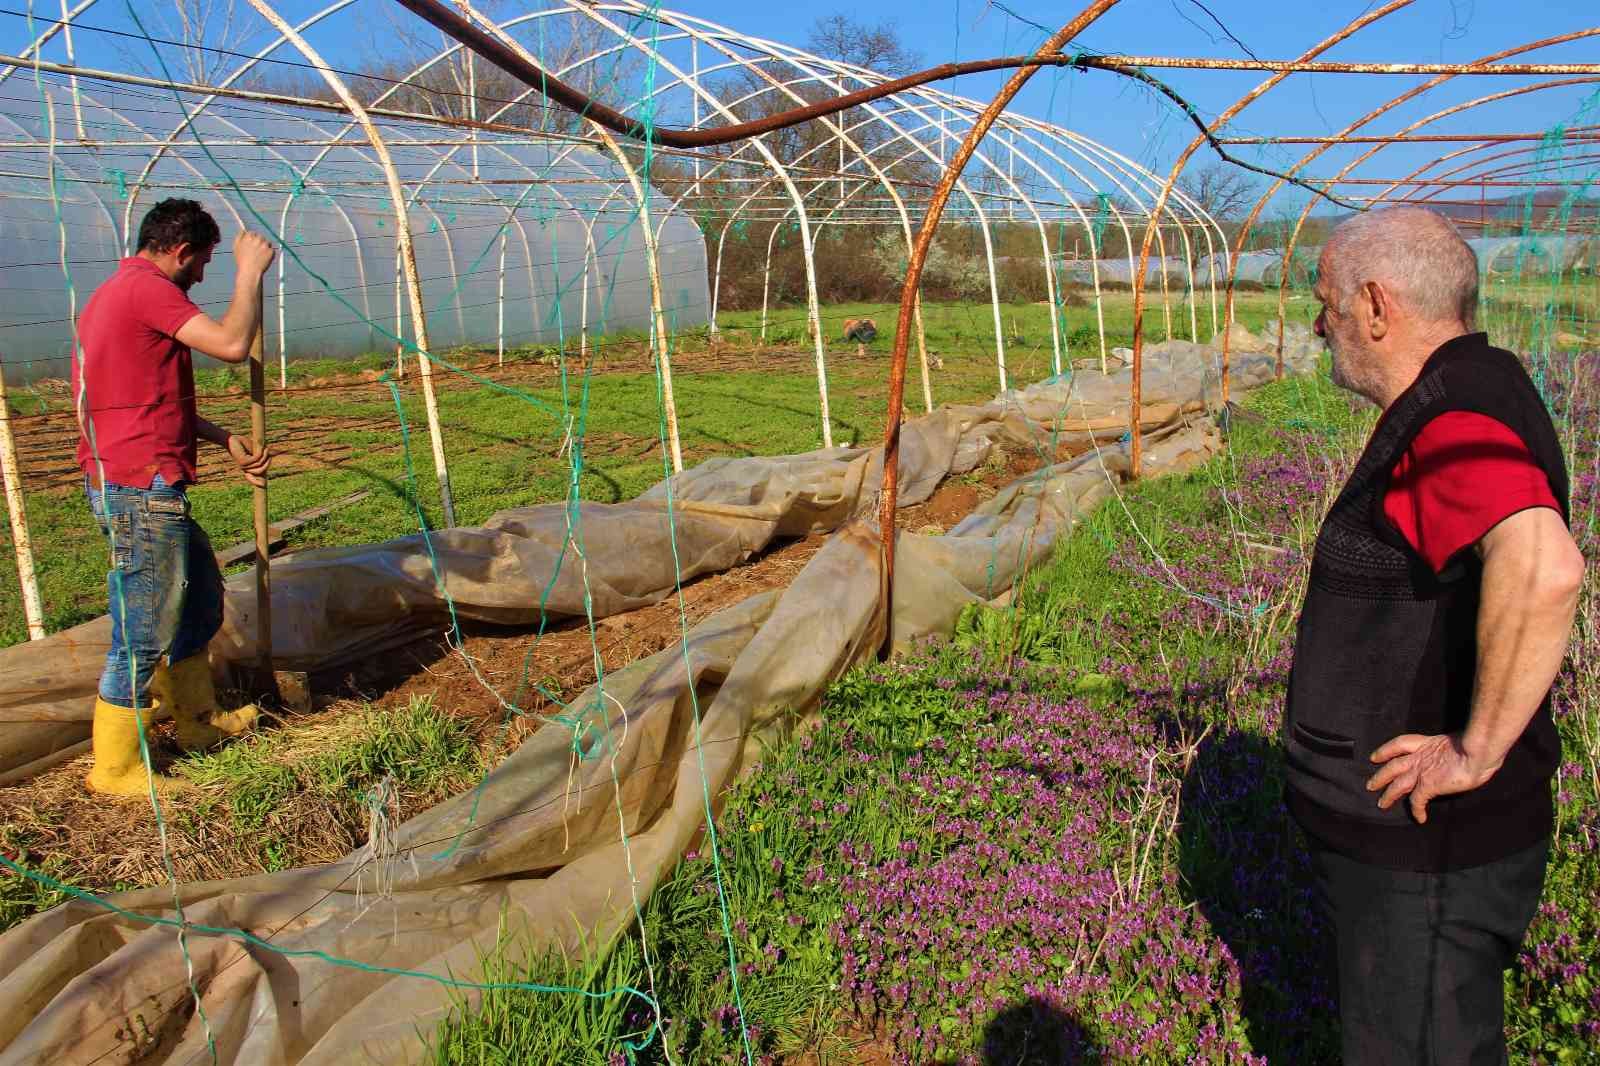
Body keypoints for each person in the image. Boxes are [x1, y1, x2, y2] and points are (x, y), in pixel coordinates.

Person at [1284, 205, 1586, 1064]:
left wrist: (1473, 751)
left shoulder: (1452, 422)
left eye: (1328, 304)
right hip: (1422, 859)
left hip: (1429, 861)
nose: (1320, 324)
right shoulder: (1472, 390)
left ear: (1377, 307)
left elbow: (1544, 568)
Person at [73, 198, 279, 796]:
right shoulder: (146, 290)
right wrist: (249, 271)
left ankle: (195, 720)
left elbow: (143, 395)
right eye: (206, 262)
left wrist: (220, 437)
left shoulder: (123, 292)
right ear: (181, 251)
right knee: (142, 630)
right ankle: (114, 769)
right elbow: (232, 343)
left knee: (197, 602)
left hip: (146, 477)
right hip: (138, 488)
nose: (205, 275)